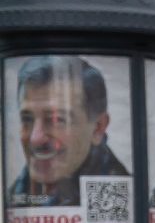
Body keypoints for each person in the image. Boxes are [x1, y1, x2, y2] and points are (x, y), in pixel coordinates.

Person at [7, 55, 128, 207]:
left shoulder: (114, 197)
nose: (35, 138)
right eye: (27, 119)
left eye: (56, 120)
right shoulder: (17, 196)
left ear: (98, 127)